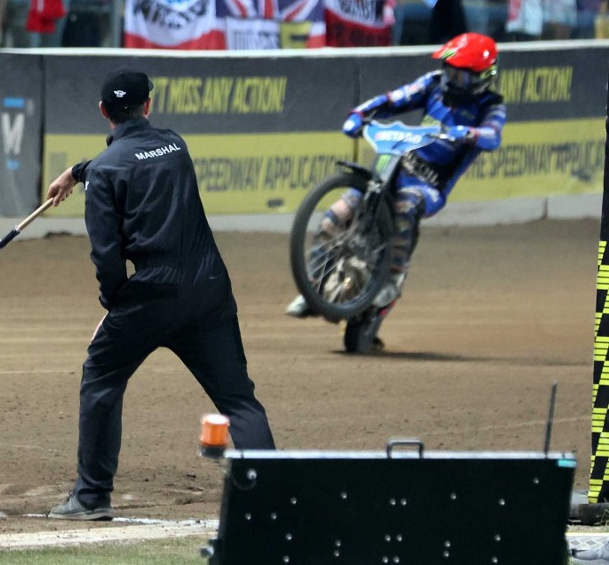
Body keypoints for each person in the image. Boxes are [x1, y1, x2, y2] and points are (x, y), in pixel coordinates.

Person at [45, 70, 277, 520]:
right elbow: (135, 156)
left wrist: (115, 307)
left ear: (102, 112)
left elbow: (107, 256)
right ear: (148, 105)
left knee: (101, 376)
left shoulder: (107, 173)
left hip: (151, 293)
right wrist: (76, 172)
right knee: (238, 401)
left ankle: (91, 497)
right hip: (209, 287)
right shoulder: (176, 144)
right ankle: (271, 499)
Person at [286, 33, 506, 338]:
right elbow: (394, 99)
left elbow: (493, 136)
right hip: (394, 168)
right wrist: (359, 114)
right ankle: (313, 287)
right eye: (449, 70)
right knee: (334, 217)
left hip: (429, 186)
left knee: (406, 205)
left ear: (481, 77)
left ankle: (391, 279)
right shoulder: (432, 83)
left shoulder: (491, 105)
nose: (451, 78)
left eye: (459, 74)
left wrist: (466, 133)